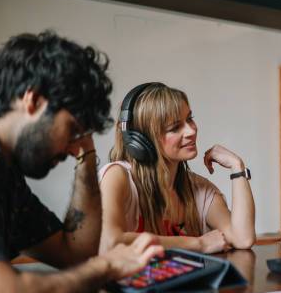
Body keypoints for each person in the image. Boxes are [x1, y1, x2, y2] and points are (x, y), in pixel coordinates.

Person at [0, 31, 163, 293]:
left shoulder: (7, 175)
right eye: (73, 129)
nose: (72, 148)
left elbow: (74, 254)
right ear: (33, 101)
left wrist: (87, 154)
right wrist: (106, 266)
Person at [99, 82, 256, 255]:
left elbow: (243, 238)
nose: (191, 131)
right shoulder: (118, 176)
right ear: (141, 141)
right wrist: (198, 244)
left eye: (189, 118)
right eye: (174, 127)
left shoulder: (198, 188)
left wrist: (237, 167)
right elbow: (109, 243)